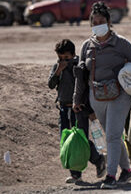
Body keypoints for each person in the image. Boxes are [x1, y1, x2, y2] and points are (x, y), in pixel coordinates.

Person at [73, 2, 131, 189]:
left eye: (101, 21)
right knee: (112, 135)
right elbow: (81, 75)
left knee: (112, 136)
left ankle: (111, 175)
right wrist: (76, 99)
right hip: (96, 97)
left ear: (109, 22)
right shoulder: (87, 46)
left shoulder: (122, 43)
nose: (98, 24)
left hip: (120, 96)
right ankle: (127, 171)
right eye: (94, 22)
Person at [48, 39, 105, 183]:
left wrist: (90, 110)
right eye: (61, 58)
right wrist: (58, 70)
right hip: (63, 109)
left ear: (73, 55)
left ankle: (98, 160)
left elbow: (85, 89)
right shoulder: (57, 67)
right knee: (67, 140)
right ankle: (75, 174)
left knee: (80, 139)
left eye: (66, 58)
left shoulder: (80, 67)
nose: (63, 61)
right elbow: (50, 84)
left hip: (79, 109)